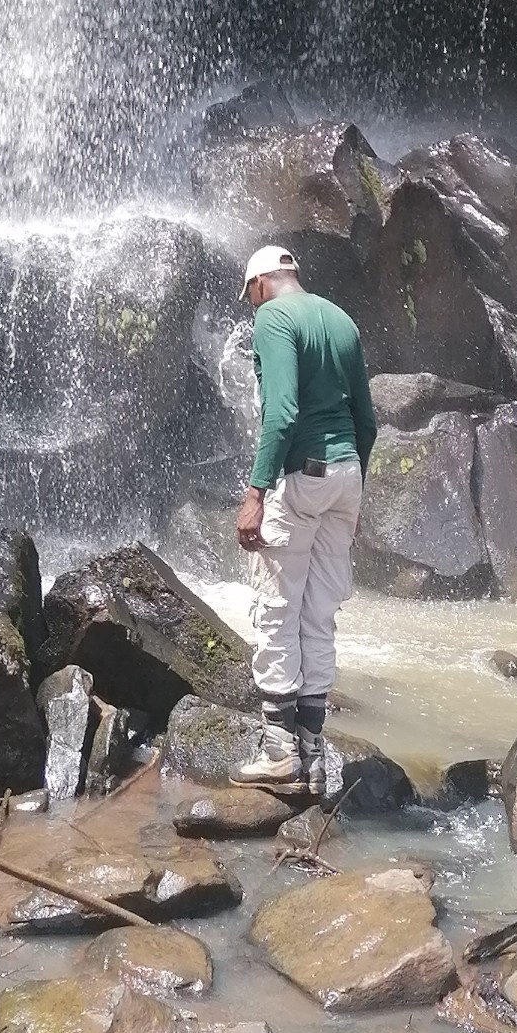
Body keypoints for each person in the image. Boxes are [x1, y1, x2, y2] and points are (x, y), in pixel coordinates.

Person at [232, 242, 378, 790]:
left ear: (261, 283)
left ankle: (279, 752)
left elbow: (283, 410)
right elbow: (366, 420)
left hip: (301, 478)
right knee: (319, 614)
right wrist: (354, 491)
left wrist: (256, 492)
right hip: (345, 476)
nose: (253, 305)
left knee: (277, 609)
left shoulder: (273, 318)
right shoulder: (341, 320)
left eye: (250, 296)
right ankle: (314, 757)